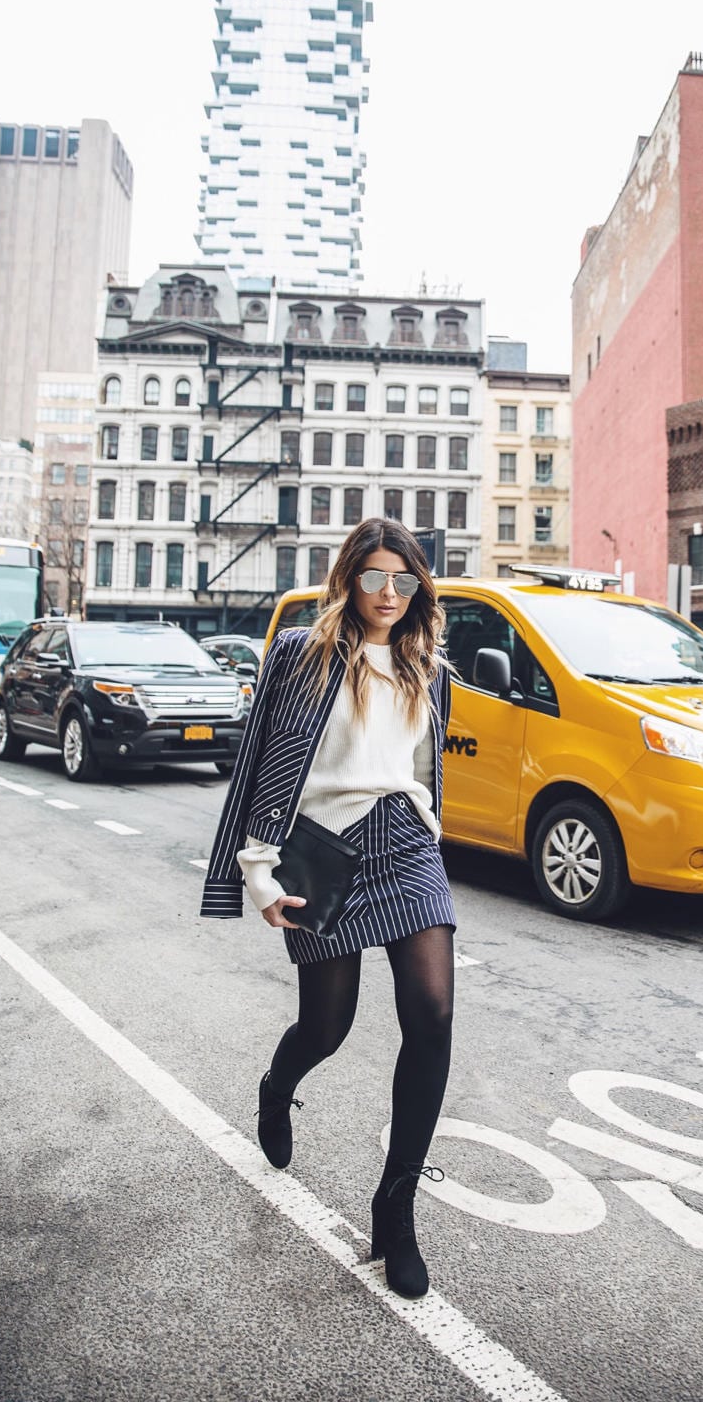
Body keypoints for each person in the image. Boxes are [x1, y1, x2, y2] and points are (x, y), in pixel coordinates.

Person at [200, 518, 454, 1300]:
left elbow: (421, 768)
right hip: (323, 846)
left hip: (406, 842)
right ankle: (278, 1089)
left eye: (403, 580)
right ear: (348, 578)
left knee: (432, 1015)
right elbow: (266, 765)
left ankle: (396, 1206)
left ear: (418, 588)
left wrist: (432, 830)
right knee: (328, 1027)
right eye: (374, 577)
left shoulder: (427, 666)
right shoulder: (301, 656)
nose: (388, 594)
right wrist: (258, 872)